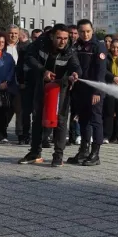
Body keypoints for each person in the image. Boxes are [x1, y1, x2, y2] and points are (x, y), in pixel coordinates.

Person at [18, 25, 80, 167]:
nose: (62, 41)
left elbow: (76, 65)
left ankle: (58, 155)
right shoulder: (40, 43)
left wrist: (75, 74)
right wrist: (43, 71)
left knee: (61, 120)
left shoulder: (70, 50)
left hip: (61, 87)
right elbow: (29, 57)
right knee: (38, 117)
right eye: (59, 38)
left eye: (65, 38)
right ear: (51, 36)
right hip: (41, 85)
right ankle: (35, 153)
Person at [67, 19, 107, 166]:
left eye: (88, 31)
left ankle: (95, 154)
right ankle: (83, 151)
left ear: (92, 30)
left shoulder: (99, 47)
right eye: (82, 31)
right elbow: (72, 64)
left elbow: (101, 72)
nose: (85, 34)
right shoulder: (75, 47)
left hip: (95, 91)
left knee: (96, 121)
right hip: (80, 91)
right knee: (83, 121)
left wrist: (97, 91)